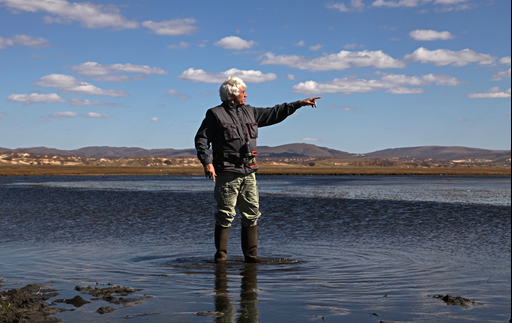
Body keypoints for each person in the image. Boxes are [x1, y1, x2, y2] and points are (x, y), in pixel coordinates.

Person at [195, 76, 320, 263]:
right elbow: (202, 140)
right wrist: (207, 162)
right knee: (225, 215)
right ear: (232, 95)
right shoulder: (215, 114)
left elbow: (274, 112)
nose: (246, 94)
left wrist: (298, 104)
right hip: (228, 172)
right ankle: (221, 258)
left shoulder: (250, 111)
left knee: (252, 214)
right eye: (243, 92)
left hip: (249, 172)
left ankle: (251, 257)